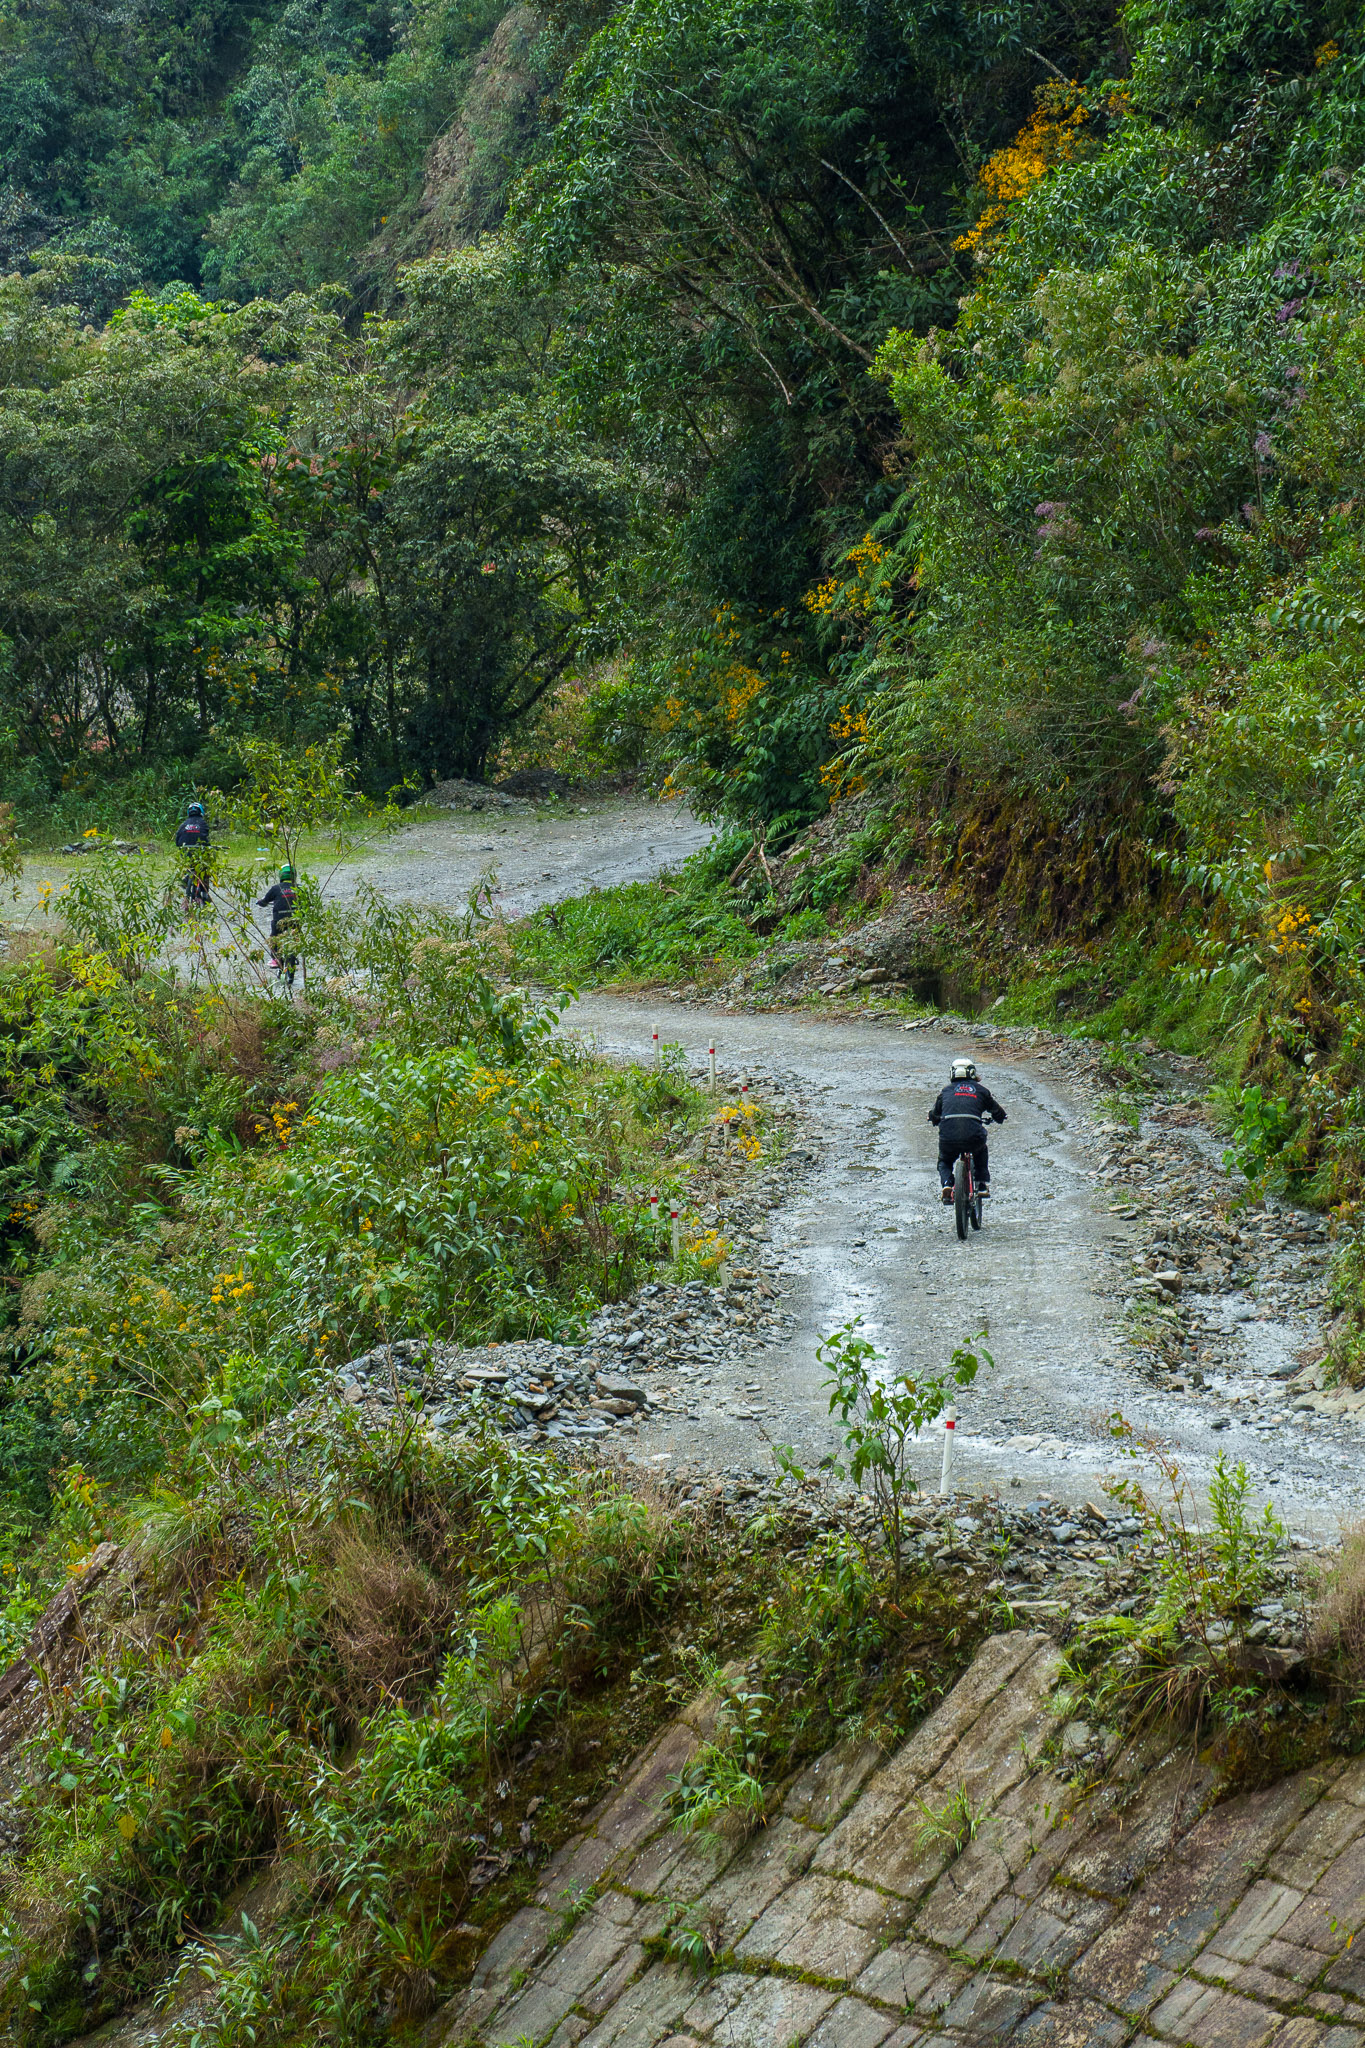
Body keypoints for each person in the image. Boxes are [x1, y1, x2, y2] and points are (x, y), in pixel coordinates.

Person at [928, 1056, 1007, 1205]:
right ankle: (982, 1184)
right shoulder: (981, 1091)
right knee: (981, 1150)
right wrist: (1001, 1117)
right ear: (972, 1073)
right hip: (973, 1136)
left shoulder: (946, 1091)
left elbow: (935, 1114)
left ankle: (947, 1184)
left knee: (944, 1161)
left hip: (948, 1136)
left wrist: (933, 1118)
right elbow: (996, 1111)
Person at [258, 864, 298, 989]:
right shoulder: (299, 888)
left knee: (274, 938)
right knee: (296, 940)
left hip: (279, 920)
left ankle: (275, 958)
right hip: (295, 920)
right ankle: (294, 960)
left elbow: (264, 902)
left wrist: (261, 902)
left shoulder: (275, 888)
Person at [174, 801, 212, 907]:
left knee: (189, 866)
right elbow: (205, 839)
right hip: (200, 852)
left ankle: (186, 877)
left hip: (185, 852)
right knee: (205, 870)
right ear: (201, 812)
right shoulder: (203, 823)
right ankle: (205, 895)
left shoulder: (183, 824)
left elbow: (177, 840)